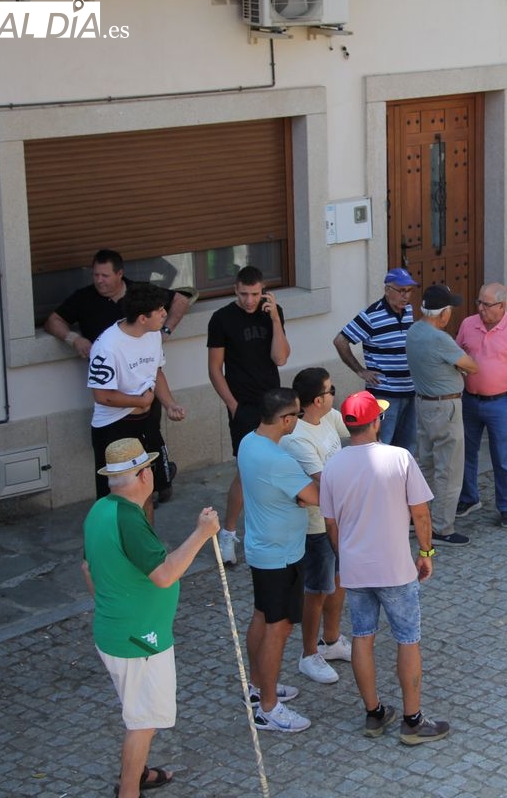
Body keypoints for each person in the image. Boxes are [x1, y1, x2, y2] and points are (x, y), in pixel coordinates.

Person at [81, 438, 221, 798]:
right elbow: (164, 575)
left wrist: (113, 607)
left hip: (119, 631)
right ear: (144, 475)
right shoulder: (129, 519)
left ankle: (138, 771)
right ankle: (129, 790)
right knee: (143, 721)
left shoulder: (100, 510)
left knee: (140, 711)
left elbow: (88, 569)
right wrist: (202, 533)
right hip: (140, 640)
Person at [320, 390, 450, 746]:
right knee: (407, 639)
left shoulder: (333, 466)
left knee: (363, 636)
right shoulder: (399, 458)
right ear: (376, 422)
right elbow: (420, 513)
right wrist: (426, 551)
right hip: (395, 568)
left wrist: (344, 556)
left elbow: (331, 523)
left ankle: (374, 714)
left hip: (355, 568)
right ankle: (412, 721)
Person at [238, 388, 319, 732]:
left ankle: (257, 687)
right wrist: (305, 495)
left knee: (262, 615)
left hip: (262, 549)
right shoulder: (279, 460)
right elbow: (315, 496)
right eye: (297, 415)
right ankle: (269, 707)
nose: (299, 419)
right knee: (280, 627)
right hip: (282, 555)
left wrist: (299, 496)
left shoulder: (248, 442)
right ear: (285, 420)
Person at [206, 266, 291, 566]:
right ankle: (228, 534)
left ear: (263, 290)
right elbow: (214, 368)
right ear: (235, 290)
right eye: (244, 294)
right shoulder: (221, 318)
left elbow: (280, 357)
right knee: (246, 472)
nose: (250, 300)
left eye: (255, 294)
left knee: (277, 467)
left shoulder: (273, 313)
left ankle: (272, 529)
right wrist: (232, 405)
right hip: (243, 405)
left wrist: (275, 319)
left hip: (273, 404)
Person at [282, 368, 352, 685]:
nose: (334, 394)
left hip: (337, 517)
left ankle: (332, 640)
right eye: (330, 389)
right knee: (317, 591)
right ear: (317, 400)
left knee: (338, 580)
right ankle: (309, 654)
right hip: (315, 526)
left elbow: (355, 429)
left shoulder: (328, 417)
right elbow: (326, 483)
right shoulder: (297, 438)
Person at [88, 284, 184, 507]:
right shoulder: (107, 346)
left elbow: (156, 372)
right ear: (142, 318)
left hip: (146, 421)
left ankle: (146, 530)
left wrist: (170, 404)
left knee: (148, 491)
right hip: (114, 426)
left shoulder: (154, 334)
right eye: (160, 310)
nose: (165, 313)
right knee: (118, 499)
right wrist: (140, 401)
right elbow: (101, 396)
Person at [454, 284, 507, 529]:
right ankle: (469, 498)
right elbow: (456, 354)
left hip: (501, 403)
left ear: (502, 306)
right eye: (479, 302)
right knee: (466, 453)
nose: (481, 308)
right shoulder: (468, 324)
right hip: (470, 400)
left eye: (486, 305)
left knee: (503, 459)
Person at [406, 285, 478, 547]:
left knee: (425, 464)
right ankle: (441, 528)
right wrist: (460, 368)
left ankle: (417, 518)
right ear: (443, 313)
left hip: (423, 405)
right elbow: (472, 366)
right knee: (448, 469)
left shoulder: (414, 331)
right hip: (445, 408)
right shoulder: (440, 339)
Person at [44, 249, 191, 360]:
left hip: (143, 366)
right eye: (96, 275)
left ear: (119, 274)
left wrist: (164, 333)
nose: (99, 280)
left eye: (105, 276)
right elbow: (53, 321)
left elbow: (181, 300)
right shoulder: (83, 297)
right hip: (106, 373)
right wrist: (74, 339)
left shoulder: (139, 292)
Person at [333, 268, 419, 452]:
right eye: (401, 290)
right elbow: (340, 341)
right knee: (382, 446)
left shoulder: (409, 311)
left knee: (407, 447)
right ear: (387, 290)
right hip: (385, 394)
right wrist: (360, 370)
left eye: (409, 291)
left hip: (410, 390)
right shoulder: (371, 316)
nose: (406, 296)